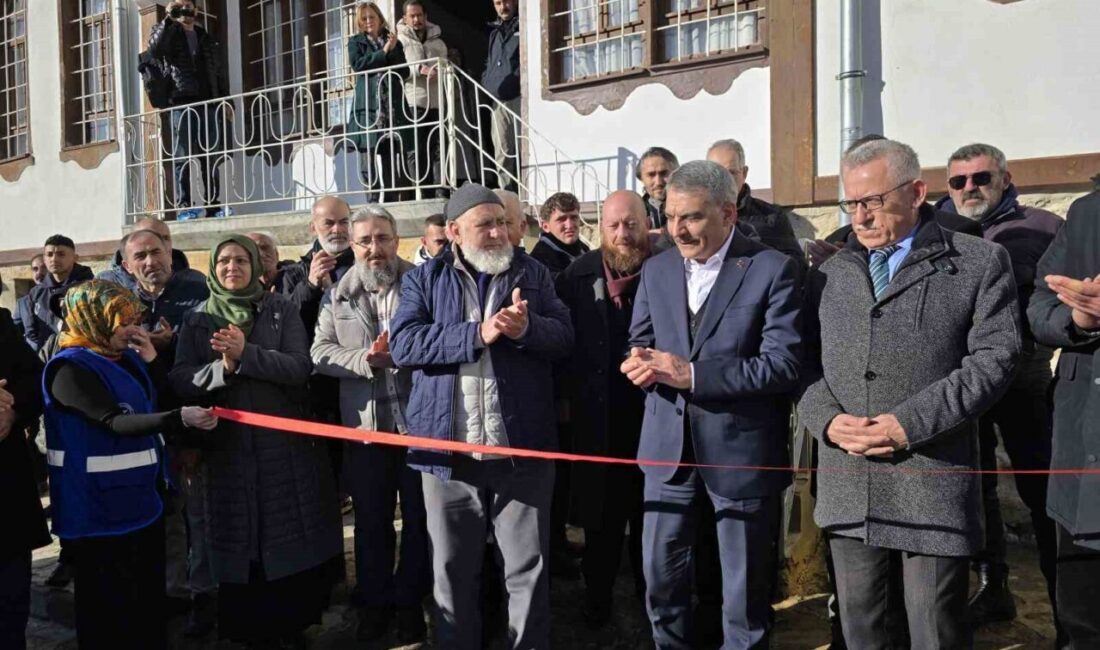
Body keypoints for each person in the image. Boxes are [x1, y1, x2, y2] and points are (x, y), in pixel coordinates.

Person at [798, 139, 1022, 649]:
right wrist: (828, 421)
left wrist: (909, 424)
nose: (859, 216)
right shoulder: (829, 274)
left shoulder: (979, 262)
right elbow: (802, 366)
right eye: (850, 204)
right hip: (849, 483)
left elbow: (996, 358)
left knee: (934, 632)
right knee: (862, 633)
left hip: (932, 484)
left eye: (871, 201)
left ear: (918, 192)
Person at [620, 161, 801, 648]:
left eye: (692, 218)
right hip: (666, 452)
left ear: (728, 212)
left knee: (744, 595)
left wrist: (694, 375)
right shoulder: (656, 269)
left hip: (740, 454)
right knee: (660, 581)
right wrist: (637, 365)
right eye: (670, 216)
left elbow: (782, 365)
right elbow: (639, 342)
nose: (677, 229)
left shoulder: (772, 269)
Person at [390, 183, 573, 649]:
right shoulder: (422, 279)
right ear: (454, 231)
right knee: (451, 574)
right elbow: (405, 344)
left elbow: (564, 337)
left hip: (521, 454)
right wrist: (478, 333)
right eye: (484, 225)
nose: (497, 234)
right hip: (448, 458)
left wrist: (528, 328)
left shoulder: (534, 273)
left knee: (527, 571)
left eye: (502, 224)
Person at [170, 235, 344, 647]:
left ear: (255, 266)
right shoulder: (197, 320)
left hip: (283, 448)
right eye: (225, 261)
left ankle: (292, 628)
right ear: (213, 268)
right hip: (227, 452)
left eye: (241, 261)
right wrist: (222, 369)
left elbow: (300, 367)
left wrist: (247, 354)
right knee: (238, 542)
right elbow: (180, 379)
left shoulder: (279, 309)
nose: (232, 267)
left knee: (285, 537)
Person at [43, 280, 219, 650]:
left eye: (132, 320)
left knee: (145, 603)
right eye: (121, 322)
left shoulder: (126, 360)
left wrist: (154, 361)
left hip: (142, 501)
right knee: (108, 608)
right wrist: (179, 418)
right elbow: (113, 422)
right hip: (97, 510)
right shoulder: (68, 370)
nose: (132, 329)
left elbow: (157, 399)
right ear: (93, 320)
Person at [933, 143, 1063, 627]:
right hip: (959, 379)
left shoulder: (1043, 228)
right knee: (975, 485)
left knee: (1042, 487)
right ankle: (993, 587)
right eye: (959, 181)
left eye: (982, 178)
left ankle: (1064, 603)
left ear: (1005, 179)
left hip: (1022, 377)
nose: (970, 188)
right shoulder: (934, 229)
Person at [312, 206, 430, 644]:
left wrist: (409, 352)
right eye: (365, 241)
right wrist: (365, 360)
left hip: (418, 425)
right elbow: (320, 353)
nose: (374, 248)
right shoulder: (338, 293)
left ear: (395, 238)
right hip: (365, 432)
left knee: (418, 522)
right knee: (371, 523)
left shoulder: (422, 281)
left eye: (382, 238)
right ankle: (375, 603)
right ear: (354, 245)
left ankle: (410, 603)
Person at [556, 190, 652, 629]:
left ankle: (654, 608)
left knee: (652, 526)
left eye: (630, 224)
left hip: (655, 423)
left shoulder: (668, 269)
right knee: (600, 526)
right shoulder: (576, 276)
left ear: (646, 222)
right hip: (597, 426)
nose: (622, 235)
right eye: (613, 226)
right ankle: (598, 606)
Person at [116, 228, 215, 633]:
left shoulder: (198, 291)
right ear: (127, 265)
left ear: (170, 253)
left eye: (156, 252)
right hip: (148, 425)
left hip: (192, 417)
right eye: (139, 256)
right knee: (168, 515)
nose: (149, 262)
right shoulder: (120, 304)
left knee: (200, 513)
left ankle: (206, 594)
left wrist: (173, 346)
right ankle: (174, 592)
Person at [1027, 189, 1100, 647]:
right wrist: (1079, 318)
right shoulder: (1087, 212)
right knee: (1082, 617)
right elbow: (1039, 306)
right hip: (1084, 446)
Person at [147, 0, 231, 220]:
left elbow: (217, 71)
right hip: (181, 102)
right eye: (179, 10)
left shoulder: (204, 37)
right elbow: (155, 50)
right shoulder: (167, 32)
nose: (184, 14)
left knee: (210, 154)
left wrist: (225, 101)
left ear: (196, 10)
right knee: (182, 155)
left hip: (208, 102)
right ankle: (185, 206)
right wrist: (168, 19)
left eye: (187, 9)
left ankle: (213, 205)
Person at [0, 308, 46, 650]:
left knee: (11, 596)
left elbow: (35, 380)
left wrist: (13, 408)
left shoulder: (1, 324)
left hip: (5, 487)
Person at [349, 2, 413, 204]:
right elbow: (358, 65)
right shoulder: (356, 42)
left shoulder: (394, 41)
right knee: (368, 155)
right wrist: (384, 51)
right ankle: (373, 202)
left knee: (391, 156)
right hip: (368, 105)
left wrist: (392, 50)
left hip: (390, 106)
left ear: (379, 19)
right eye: (364, 19)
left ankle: (392, 200)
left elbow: (404, 72)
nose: (368, 22)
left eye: (371, 17)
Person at [706, 138, 803, 261]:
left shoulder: (771, 217)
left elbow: (795, 265)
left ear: (744, 173)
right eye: (716, 173)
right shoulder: (696, 216)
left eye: (731, 172)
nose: (724, 180)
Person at [397, 0, 449, 197]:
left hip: (437, 103)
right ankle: (422, 193)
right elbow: (398, 69)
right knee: (416, 151)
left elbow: (446, 65)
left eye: (419, 15)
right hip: (414, 103)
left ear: (426, 17)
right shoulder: (400, 42)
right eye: (412, 16)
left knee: (439, 149)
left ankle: (440, 192)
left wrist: (440, 69)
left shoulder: (438, 41)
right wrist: (418, 69)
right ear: (405, 18)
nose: (417, 19)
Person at [24, 235, 94, 353]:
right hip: (46, 360)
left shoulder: (89, 289)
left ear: (75, 258)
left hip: (79, 357)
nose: (54, 259)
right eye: (49, 254)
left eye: (61, 254)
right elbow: (32, 332)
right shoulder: (36, 293)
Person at [98, 217, 205, 290]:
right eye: (151, 236)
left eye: (166, 238)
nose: (162, 243)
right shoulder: (106, 284)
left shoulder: (196, 281)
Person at [481, 0, 520, 191]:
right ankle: (507, 193)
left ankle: (525, 192)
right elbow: (490, 62)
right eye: (498, 3)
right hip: (498, 99)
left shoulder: (523, 25)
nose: (503, 7)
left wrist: (516, 79)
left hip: (519, 96)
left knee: (523, 147)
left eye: (506, 2)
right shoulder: (495, 33)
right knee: (502, 150)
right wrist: (487, 82)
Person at [530, 192, 590, 278]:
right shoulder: (539, 262)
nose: (569, 225)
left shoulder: (583, 250)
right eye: (561, 219)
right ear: (546, 226)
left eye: (574, 217)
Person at [636, 147, 679, 233]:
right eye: (651, 175)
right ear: (641, 178)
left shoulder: (690, 206)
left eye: (663, 173)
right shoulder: (634, 212)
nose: (658, 182)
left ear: (676, 173)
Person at [12, 254, 45, 336]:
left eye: (44, 267)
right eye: (35, 269)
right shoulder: (22, 303)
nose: (39, 272)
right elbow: (14, 332)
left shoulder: (58, 297)